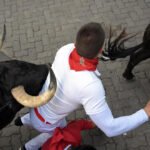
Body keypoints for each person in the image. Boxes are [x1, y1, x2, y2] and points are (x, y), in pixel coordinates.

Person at [15, 22, 150, 150]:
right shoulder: (91, 86)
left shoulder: (65, 49)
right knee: (58, 132)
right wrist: (145, 113)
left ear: (76, 41)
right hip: (47, 123)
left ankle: (22, 120)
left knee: (44, 115)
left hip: (35, 107)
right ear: (101, 49)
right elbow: (111, 128)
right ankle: (28, 147)